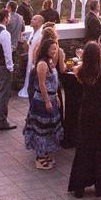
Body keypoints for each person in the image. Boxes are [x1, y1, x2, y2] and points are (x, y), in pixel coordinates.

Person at [68, 41, 101, 197]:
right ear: (98, 55)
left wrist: (83, 58)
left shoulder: (80, 71)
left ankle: (79, 187)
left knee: (84, 146)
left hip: (86, 111)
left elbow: (74, 67)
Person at [24, 37, 65, 170]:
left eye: (55, 48)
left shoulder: (50, 62)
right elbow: (42, 84)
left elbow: (53, 82)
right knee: (41, 129)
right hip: (41, 101)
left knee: (49, 129)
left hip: (51, 98)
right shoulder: (42, 64)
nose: (54, 51)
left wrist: (56, 98)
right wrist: (47, 101)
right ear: (46, 49)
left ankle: (45, 153)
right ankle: (39, 158)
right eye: (52, 49)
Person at [19, 15, 46, 98]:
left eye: (34, 19)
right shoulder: (32, 33)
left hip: (35, 61)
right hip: (30, 59)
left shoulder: (41, 35)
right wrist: (23, 41)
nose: (31, 20)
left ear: (40, 22)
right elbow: (28, 47)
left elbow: (39, 50)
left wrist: (35, 62)